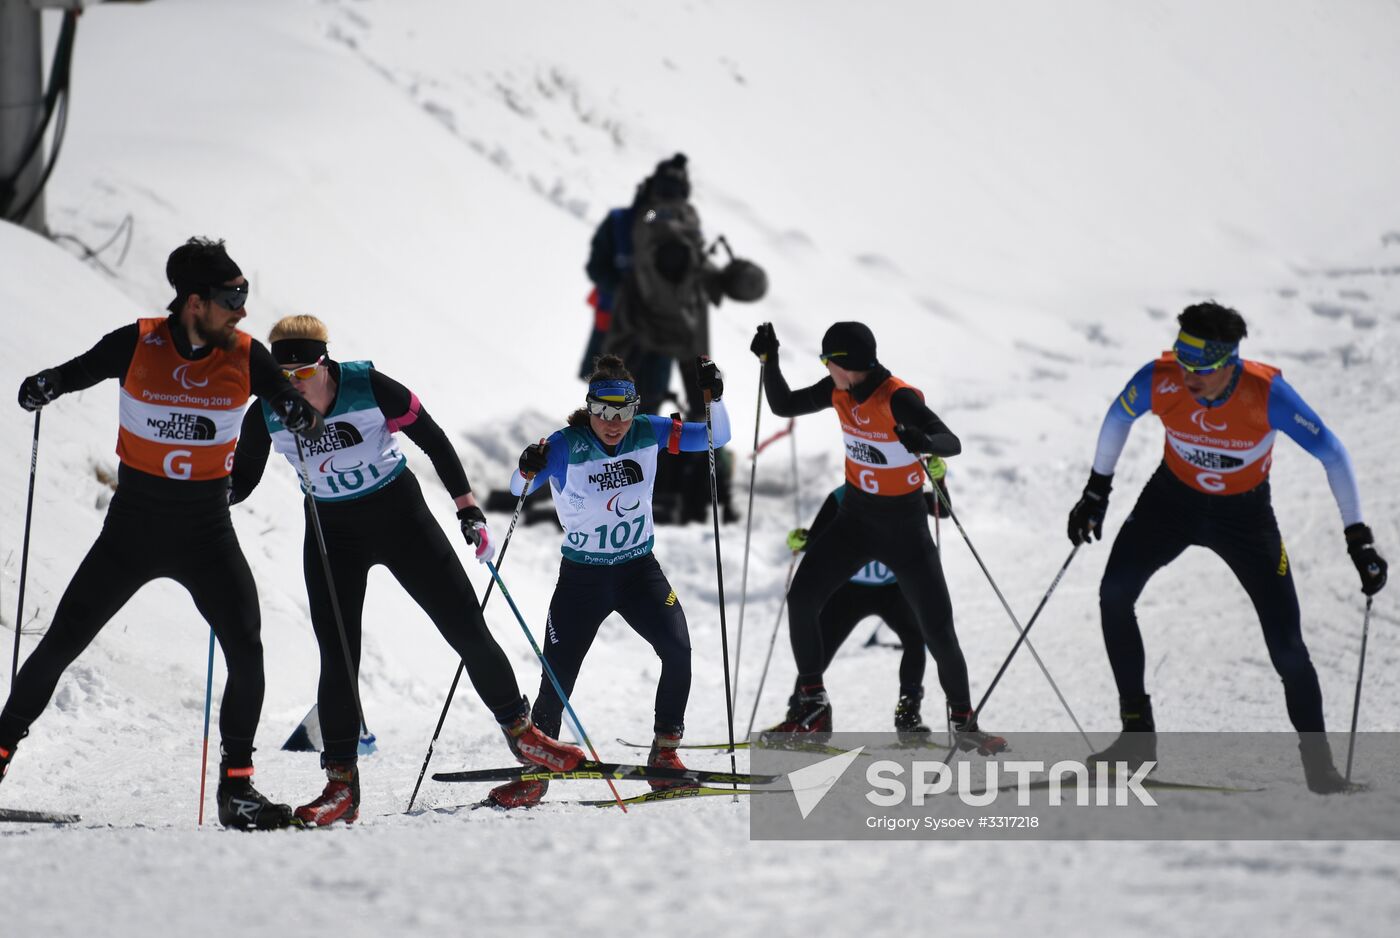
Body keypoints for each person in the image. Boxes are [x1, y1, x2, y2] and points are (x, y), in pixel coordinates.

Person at [0, 238, 323, 830]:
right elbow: (74, 372)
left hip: (206, 531)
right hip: (133, 529)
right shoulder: (138, 340)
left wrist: (295, 409)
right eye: (234, 297)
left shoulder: (247, 356)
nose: (244, 309)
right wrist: (42, 385)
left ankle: (237, 791)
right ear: (195, 303)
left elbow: (282, 394)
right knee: (61, 642)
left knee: (247, 652)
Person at [229, 315, 585, 823]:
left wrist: (467, 507)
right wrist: (213, 490)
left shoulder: (369, 386)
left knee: (465, 626)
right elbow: (241, 480)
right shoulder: (264, 411)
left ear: (324, 361)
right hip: (332, 533)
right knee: (338, 654)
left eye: (303, 371)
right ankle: (341, 785)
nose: (293, 384)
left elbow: (433, 439)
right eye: (282, 375)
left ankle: (524, 736)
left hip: (400, 518)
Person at [1067, 301, 1388, 793]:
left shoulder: (1268, 394)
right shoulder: (1161, 378)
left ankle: (1319, 767)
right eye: (1183, 362)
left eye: (1200, 368)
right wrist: (1096, 491)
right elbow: (1117, 418)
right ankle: (1136, 739)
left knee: (1287, 647)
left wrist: (1358, 538)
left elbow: (1334, 454)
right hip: (1170, 502)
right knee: (1114, 594)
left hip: (1246, 519)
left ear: (1230, 363)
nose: (1188, 377)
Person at [749, 321, 1005, 754]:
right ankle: (812, 706)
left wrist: (923, 439)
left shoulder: (897, 397)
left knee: (938, 630)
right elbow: (783, 405)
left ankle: (965, 722)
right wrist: (768, 362)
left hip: (904, 529)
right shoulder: (839, 392)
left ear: (844, 365)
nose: (826, 368)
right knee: (802, 598)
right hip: (854, 521)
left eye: (827, 360)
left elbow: (951, 441)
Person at [488, 354, 731, 808]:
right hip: (583, 578)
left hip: (639, 570)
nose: (614, 423)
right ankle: (537, 770)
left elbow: (718, 437)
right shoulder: (565, 445)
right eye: (603, 412)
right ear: (590, 408)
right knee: (557, 677)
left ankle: (666, 755)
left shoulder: (648, 431)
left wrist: (714, 398)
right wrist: (525, 466)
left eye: (623, 412)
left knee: (678, 649)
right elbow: (516, 490)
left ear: (635, 409)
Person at [782, 464, 953, 740]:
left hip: (893, 589)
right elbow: (817, 541)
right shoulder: (842, 496)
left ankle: (908, 715)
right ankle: (801, 712)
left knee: (916, 638)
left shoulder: (906, 493)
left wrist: (939, 480)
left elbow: (942, 509)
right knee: (819, 649)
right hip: (851, 590)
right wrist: (803, 540)